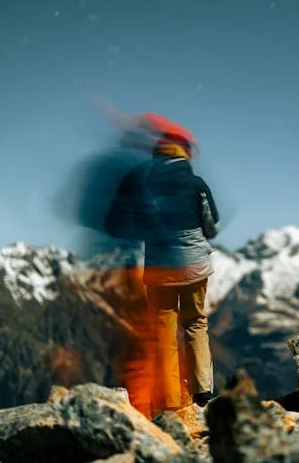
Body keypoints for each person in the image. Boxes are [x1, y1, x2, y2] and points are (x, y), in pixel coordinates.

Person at [102, 109, 221, 415]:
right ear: (184, 153)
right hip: (195, 265)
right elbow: (212, 227)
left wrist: (149, 232)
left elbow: (115, 223)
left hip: (158, 269)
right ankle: (203, 393)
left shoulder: (140, 180)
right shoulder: (197, 183)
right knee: (195, 323)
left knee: (164, 331)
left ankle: (169, 403)